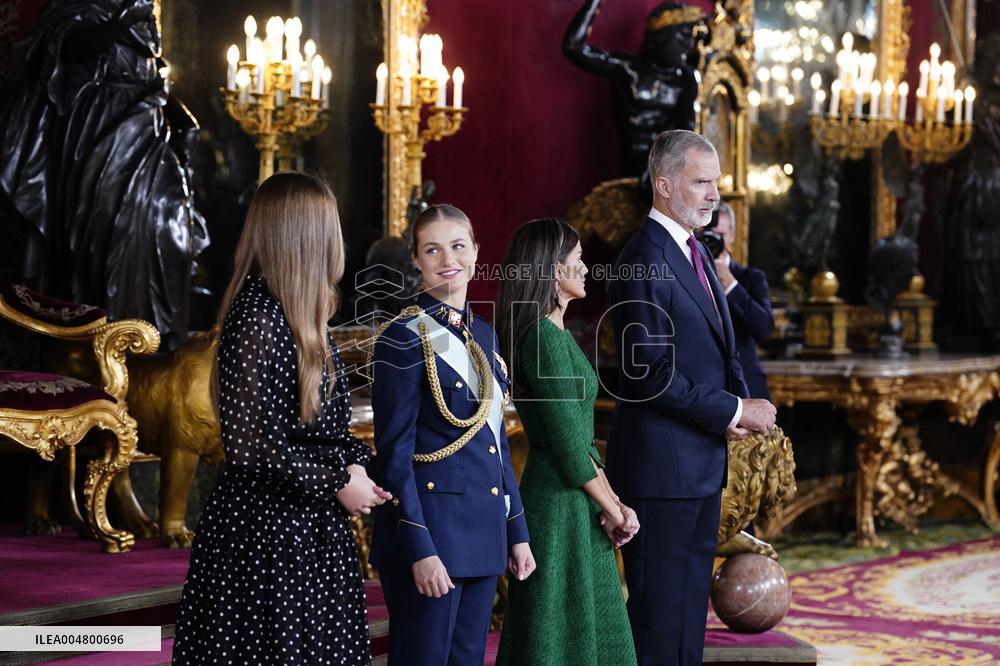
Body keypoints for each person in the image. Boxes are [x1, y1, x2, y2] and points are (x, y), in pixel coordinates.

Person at [173, 173, 389, 664]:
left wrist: (356, 465)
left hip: (308, 533)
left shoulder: (301, 318)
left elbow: (321, 430)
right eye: (329, 227)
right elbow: (252, 445)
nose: (339, 240)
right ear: (306, 236)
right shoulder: (258, 317)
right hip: (265, 540)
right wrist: (337, 481)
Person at [605, 130, 776, 665]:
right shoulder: (642, 258)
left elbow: (718, 351)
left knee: (685, 618)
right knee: (659, 621)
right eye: (700, 182)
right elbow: (647, 374)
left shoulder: (694, 250)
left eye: (715, 184)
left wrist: (736, 408)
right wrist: (734, 408)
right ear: (662, 185)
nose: (712, 195)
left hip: (698, 464)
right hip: (660, 473)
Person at [368, 204, 534, 666]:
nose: (448, 259)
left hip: (482, 534)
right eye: (433, 249)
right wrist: (420, 549)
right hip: (433, 537)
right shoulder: (401, 337)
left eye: (458, 246)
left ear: (476, 252)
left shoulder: (483, 334)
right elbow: (394, 457)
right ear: (416, 260)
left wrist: (516, 533)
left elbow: (495, 443)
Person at [495, 218, 639, 666]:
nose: (585, 268)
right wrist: (616, 511)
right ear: (553, 270)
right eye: (577, 260)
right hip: (559, 506)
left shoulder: (555, 334)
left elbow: (581, 443)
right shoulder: (542, 338)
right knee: (557, 642)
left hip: (576, 501)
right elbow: (570, 448)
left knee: (585, 638)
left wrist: (614, 504)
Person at [563, 0, 704, 179]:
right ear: (662, 36)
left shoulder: (687, 78)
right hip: (633, 170)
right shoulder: (627, 68)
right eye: (683, 37)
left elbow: (688, 130)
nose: (689, 46)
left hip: (670, 167)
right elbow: (574, 47)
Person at [707, 202, 775, 399]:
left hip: (747, 384)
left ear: (732, 236)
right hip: (704, 389)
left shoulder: (752, 278)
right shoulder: (686, 275)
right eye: (708, 234)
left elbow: (764, 328)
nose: (714, 241)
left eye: (720, 235)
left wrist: (731, 285)